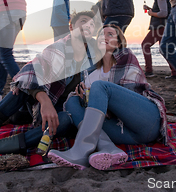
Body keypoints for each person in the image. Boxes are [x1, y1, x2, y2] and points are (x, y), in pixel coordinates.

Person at [0, 11, 98, 168]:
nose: (87, 26)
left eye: (91, 24)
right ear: (71, 26)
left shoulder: (95, 55)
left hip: (65, 108)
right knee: (21, 89)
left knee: (65, 120)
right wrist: (44, 100)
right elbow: (33, 70)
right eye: (82, 22)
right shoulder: (59, 47)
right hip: (42, 103)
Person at [48, 24, 168, 170]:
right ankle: (109, 148)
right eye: (100, 35)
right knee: (72, 101)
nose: (103, 37)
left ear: (118, 43)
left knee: (100, 87)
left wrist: (99, 97)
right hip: (123, 133)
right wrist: (81, 96)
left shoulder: (126, 57)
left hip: (145, 122)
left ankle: (80, 150)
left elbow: (135, 93)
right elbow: (90, 109)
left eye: (110, 34)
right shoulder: (90, 72)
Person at [141, 0, 176, 79]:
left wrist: (150, 13)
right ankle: (175, 72)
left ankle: (149, 71)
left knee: (145, 45)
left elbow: (163, 13)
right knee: (164, 49)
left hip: (159, 26)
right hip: (164, 25)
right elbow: (163, 10)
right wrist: (149, 9)